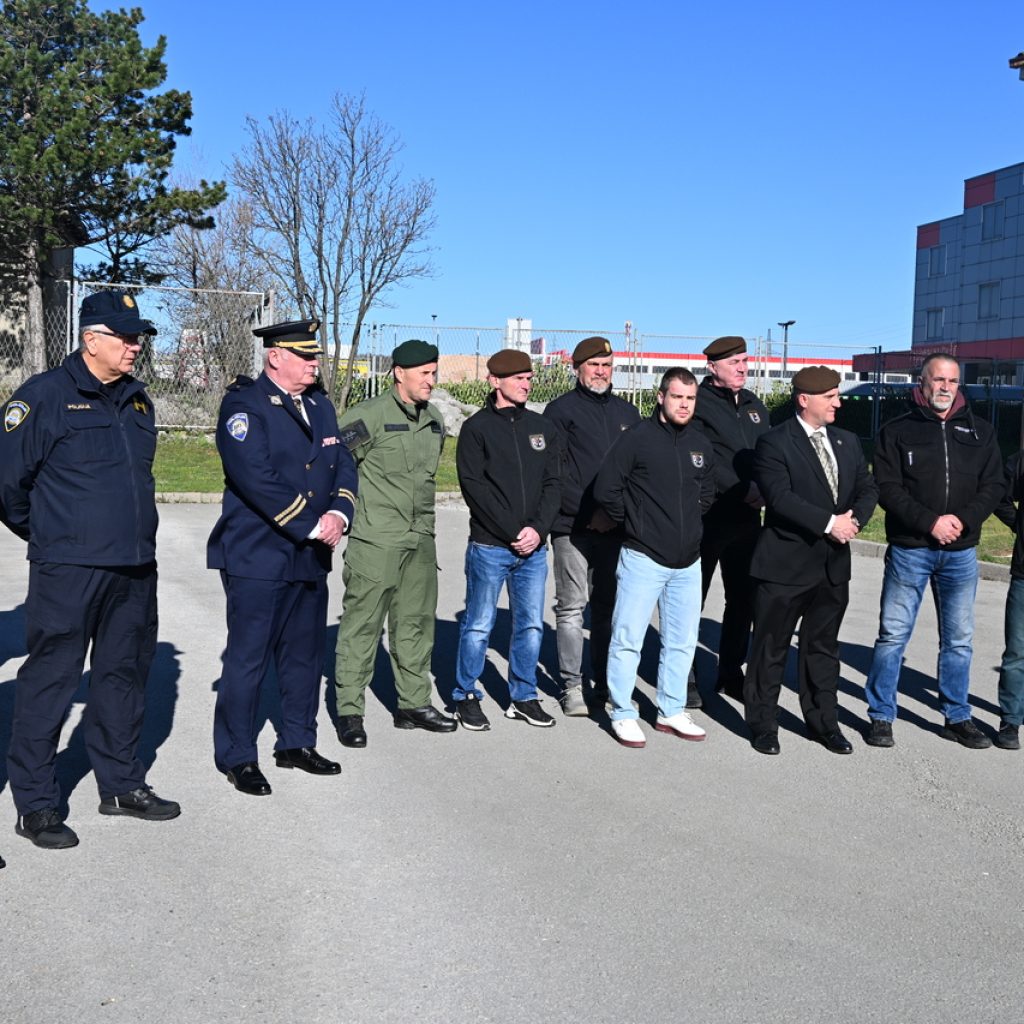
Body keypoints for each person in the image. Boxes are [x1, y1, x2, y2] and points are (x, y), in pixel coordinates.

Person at [0, 290, 179, 849]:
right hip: (69, 569)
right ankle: (36, 803)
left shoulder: (138, 401)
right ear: (90, 339)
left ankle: (121, 785)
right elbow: (8, 486)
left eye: (138, 337)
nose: (135, 346)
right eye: (124, 337)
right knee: (51, 682)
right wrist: (55, 535)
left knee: (123, 678)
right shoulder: (45, 396)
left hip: (134, 568)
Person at [207, 319, 358, 795]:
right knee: (248, 660)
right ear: (275, 357)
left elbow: (343, 462)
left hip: (310, 554)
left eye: (316, 357)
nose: (315, 365)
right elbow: (255, 476)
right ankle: (237, 755)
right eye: (305, 357)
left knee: (304, 657)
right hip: (259, 554)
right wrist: (313, 524)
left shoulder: (320, 404)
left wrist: (339, 513)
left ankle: (297, 742)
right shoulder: (244, 405)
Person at [863, 353, 1004, 749]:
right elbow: (887, 488)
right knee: (893, 636)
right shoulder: (897, 430)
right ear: (922, 382)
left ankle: (956, 716)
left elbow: (993, 485)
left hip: (961, 552)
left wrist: (962, 520)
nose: (945, 387)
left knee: (959, 639)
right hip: (911, 549)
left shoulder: (981, 432)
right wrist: (930, 522)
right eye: (938, 379)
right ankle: (881, 715)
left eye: (953, 381)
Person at [744, 366, 878, 756]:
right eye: (830, 397)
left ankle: (824, 723)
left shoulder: (847, 441)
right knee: (770, 648)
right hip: (785, 566)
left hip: (832, 567)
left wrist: (854, 521)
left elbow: (867, 487)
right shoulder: (774, 442)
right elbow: (780, 498)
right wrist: (829, 524)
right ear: (805, 400)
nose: (838, 403)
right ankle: (763, 724)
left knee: (823, 649)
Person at [333, 339, 456, 747]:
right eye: (424, 373)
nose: (431, 380)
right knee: (362, 627)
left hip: (421, 539)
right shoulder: (367, 416)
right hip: (376, 541)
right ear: (399, 373)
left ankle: (413, 704)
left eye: (434, 373)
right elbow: (336, 467)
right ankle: (350, 711)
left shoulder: (434, 420)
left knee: (416, 624)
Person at [593, 367, 715, 748]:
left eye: (690, 398)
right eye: (677, 396)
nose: (684, 404)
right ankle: (622, 711)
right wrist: (637, 524)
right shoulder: (637, 439)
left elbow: (707, 493)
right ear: (661, 397)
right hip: (643, 557)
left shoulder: (700, 444)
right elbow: (606, 489)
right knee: (628, 638)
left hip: (688, 562)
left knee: (682, 640)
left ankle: (671, 709)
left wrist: (688, 526)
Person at [452, 348, 561, 731]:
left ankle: (523, 696)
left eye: (529, 378)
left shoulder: (542, 427)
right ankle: (465, 695)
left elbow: (554, 483)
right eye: (519, 378)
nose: (526, 384)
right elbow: (474, 488)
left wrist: (538, 530)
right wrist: (513, 532)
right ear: (495, 380)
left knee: (530, 626)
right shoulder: (477, 429)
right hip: (490, 547)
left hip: (534, 549)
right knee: (478, 625)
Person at [542, 336, 640, 716]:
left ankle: (605, 682)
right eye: (594, 365)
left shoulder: (628, 414)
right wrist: (589, 514)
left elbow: (636, 473)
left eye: (607, 365)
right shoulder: (560, 412)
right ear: (577, 368)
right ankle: (572, 686)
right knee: (571, 608)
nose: (601, 372)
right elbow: (555, 473)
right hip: (572, 527)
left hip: (615, 528)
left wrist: (613, 515)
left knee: (608, 609)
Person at [691, 335, 769, 702]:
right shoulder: (697, 402)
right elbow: (700, 456)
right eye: (733, 362)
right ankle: (684, 674)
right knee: (692, 598)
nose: (742, 368)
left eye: (744, 361)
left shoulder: (754, 405)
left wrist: (766, 488)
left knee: (743, 599)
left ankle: (730, 672)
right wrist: (740, 489)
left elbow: (768, 453)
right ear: (712, 367)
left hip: (748, 518)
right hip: (709, 516)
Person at [994, 451, 1024, 750]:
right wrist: (1019, 524)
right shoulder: (1021, 461)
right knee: (1017, 652)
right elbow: (997, 493)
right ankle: (1011, 719)